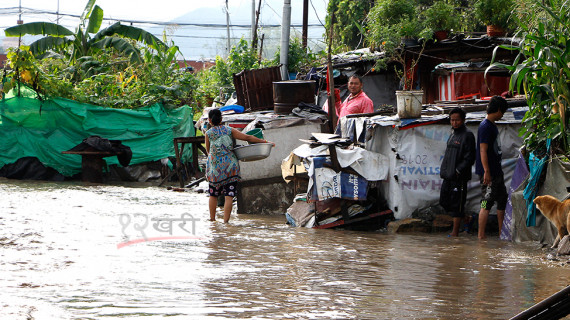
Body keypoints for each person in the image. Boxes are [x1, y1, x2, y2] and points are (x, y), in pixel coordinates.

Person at [205, 109, 274, 223]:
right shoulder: (229, 130)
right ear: (221, 119)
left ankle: (212, 220)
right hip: (230, 167)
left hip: (215, 168)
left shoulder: (208, 133)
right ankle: (226, 222)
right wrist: (265, 142)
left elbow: (209, 151)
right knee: (229, 195)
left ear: (209, 120)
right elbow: (247, 138)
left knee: (213, 194)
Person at [475, 96, 509, 239]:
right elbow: (483, 150)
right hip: (489, 172)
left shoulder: (491, 125)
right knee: (486, 202)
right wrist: (487, 172)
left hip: (496, 171)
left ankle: (502, 233)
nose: (502, 116)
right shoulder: (485, 126)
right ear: (499, 110)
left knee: (502, 200)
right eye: (503, 112)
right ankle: (480, 237)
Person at [439, 108, 476, 237]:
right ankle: (467, 218)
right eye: (452, 120)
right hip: (447, 175)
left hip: (459, 177)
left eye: (457, 120)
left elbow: (470, 157)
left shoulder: (467, 135)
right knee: (444, 201)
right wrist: (444, 170)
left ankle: (455, 233)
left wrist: (458, 171)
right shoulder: (452, 134)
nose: (454, 123)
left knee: (457, 204)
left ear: (463, 120)